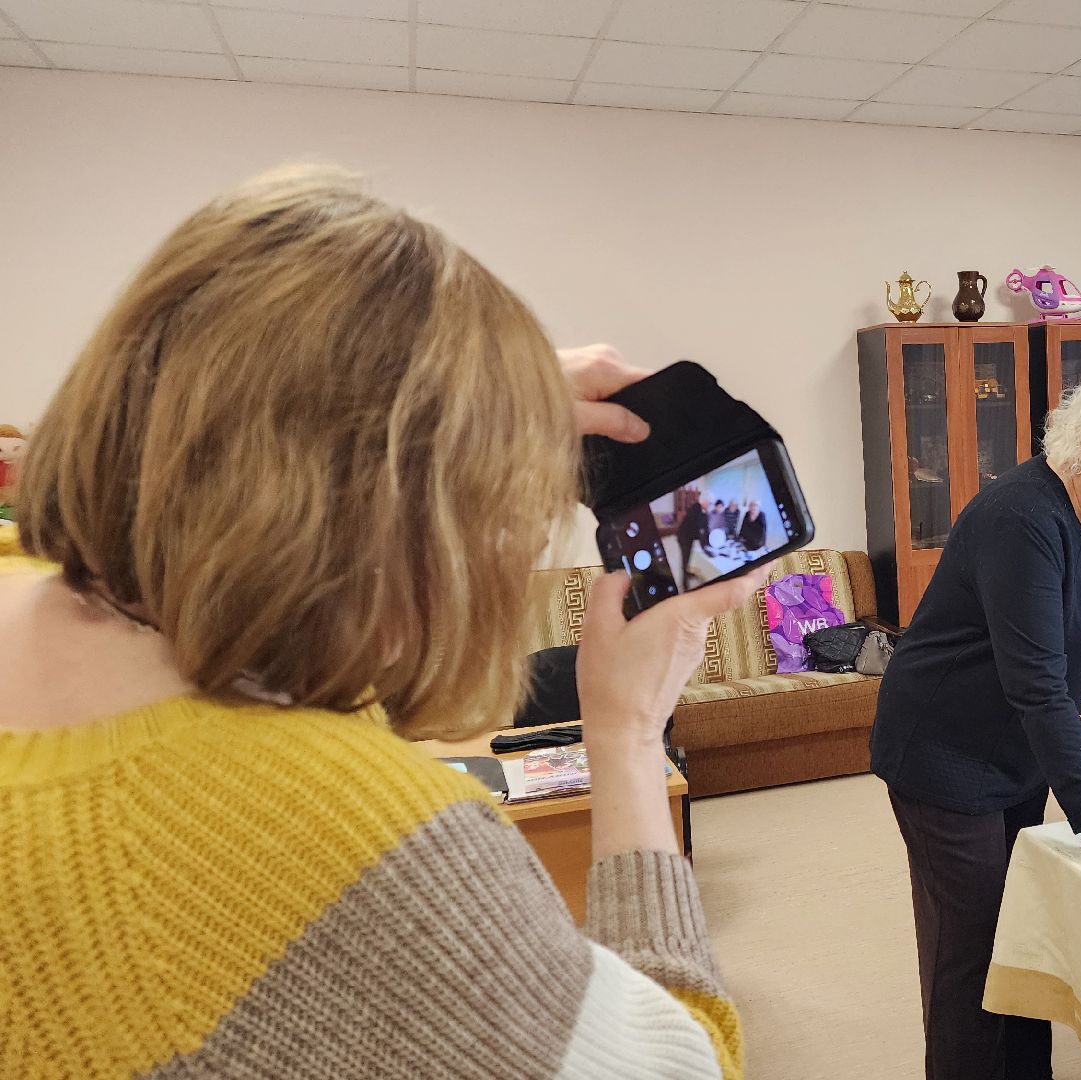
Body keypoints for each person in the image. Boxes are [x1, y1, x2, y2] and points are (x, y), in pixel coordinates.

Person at [0, 167, 753, 1079]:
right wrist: (628, 736)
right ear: (407, 525)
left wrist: (457, 408)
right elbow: (673, 1068)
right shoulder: (370, 850)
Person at [870, 365, 1081, 1080]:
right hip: (945, 750)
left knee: (1021, 932)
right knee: (970, 951)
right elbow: (1038, 687)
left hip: (1018, 749)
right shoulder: (1020, 517)